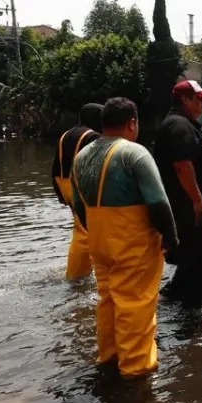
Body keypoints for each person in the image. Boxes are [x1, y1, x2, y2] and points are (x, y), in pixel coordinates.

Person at [71, 98, 178, 378]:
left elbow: (78, 206)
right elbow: (158, 202)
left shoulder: (81, 156)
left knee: (108, 300)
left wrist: (96, 232)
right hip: (131, 241)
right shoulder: (134, 154)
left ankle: (108, 357)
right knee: (135, 303)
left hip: (98, 239)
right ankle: (136, 370)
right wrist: (170, 236)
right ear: (132, 123)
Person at [153, 79, 202, 302]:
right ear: (185, 99)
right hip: (187, 204)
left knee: (197, 251)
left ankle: (179, 293)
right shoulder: (179, 126)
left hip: (191, 202)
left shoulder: (184, 123)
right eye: (199, 99)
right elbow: (182, 166)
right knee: (196, 251)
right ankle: (191, 303)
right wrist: (197, 201)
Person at [51, 103, 103, 279]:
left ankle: (84, 270)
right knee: (84, 233)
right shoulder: (93, 137)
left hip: (63, 184)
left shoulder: (66, 134)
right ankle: (77, 275)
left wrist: (60, 194)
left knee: (81, 228)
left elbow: (55, 166)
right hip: (80, 186)